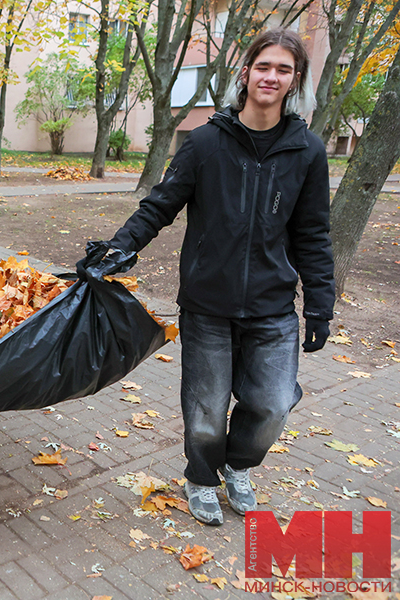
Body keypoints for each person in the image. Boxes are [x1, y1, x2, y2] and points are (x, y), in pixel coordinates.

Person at [90, 28, 334, 525]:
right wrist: (120, 247)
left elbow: (312, 233)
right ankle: (201, 476)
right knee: (205, 411)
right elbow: (160, 205)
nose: (271, 76)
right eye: (263, 66)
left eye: (283, 69)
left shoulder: (307, 150)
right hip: (207, 305)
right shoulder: (205, 142)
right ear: (245, 73)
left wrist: (320, 303)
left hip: (272, 305)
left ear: (296, 80)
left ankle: (238, 466)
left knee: (272, 405)